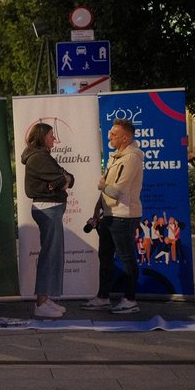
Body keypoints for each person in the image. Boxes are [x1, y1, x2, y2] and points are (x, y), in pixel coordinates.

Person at [81, 118, 144, 313]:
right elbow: (107, 190)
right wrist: (96, 210)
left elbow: (117, 192)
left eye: (114, 134)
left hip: (124, 216)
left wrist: (102, 186)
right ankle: (103, 297)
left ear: (125, 138)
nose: (109, 137)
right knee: (105, 257)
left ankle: (130, 299)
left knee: (126, 258)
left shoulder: (132, 158)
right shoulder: (116, 156)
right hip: (109, 215)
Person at [21, 122, 75, 318]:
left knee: (53, 254)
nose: (55, 138)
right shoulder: (38, 158)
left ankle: (46, 298)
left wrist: (61, 181)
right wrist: (60, 182)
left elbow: (69, 177)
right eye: (51, 135)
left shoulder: (43, 157)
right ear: (42, 136)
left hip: (51, 208)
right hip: (48, 209)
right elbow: (63, 179)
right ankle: (41, 302)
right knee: (50, 255)